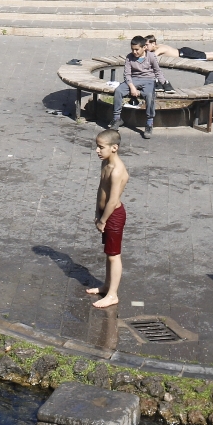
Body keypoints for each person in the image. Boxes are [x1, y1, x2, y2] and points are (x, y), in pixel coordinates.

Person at [87, 128, 128, 309]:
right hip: (104, 214)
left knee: (114, 255)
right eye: (97, 146)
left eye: (101, 147)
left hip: (113, 216)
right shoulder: (105, 164)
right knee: (108, 254)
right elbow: (100, 189)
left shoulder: (118, 170)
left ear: (114, 148)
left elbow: (112, 200)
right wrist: (97, 212)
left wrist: (103, 220)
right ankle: (106, 286)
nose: (97, 150)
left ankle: (113, 295)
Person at [111, 35, 160, 138]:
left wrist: (164, 83)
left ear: (144, 48)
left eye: (137, 49)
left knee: (149, 95)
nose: (134, 52)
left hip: (148, 80)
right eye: (133, 49)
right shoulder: (129, 57)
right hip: (133, 80)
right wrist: (132, 87)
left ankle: (149, 122)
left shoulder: (151, 56)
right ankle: (116, 118)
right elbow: (127, 74)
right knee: (119, 91)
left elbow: (157, 71)